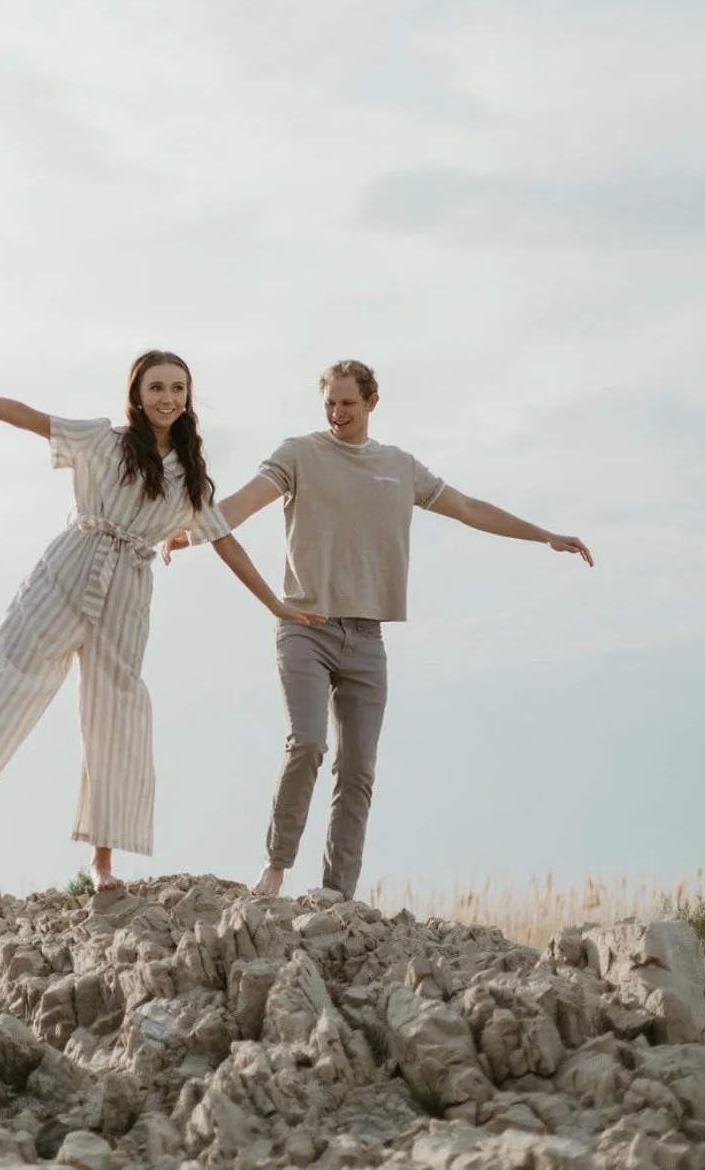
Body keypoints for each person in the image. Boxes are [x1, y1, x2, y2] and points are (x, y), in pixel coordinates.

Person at [0, 348, 324, 892]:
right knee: (7, 668)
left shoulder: (190, 475)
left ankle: (101, 862)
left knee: (116, 715)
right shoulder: (104, 441)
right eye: (157, 388)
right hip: (71, 565)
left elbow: (225, 541)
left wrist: (274, 603)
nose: (168, 398)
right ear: (137, 395)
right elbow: (28, 416)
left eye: (177, 389)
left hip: (129, 588)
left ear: (188, 399)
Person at [163, 358, 593, 901]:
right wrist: (189, 532)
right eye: (330, 404)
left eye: (348, 402)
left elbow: (468, 508)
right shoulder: (299, 453)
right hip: (304, 625)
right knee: (308, 743)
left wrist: (545, 535)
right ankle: (275, 866)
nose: (338, 413)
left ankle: (336, 892)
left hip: (367, 639)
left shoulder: (401, 466)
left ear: (372, 402)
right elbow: (242, 504)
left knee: (358, 771)